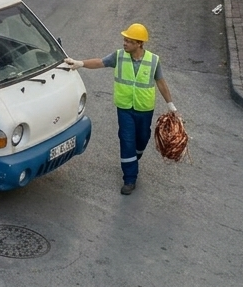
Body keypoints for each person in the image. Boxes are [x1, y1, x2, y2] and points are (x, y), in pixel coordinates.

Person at [63, 23, 177, 195]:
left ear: (139, 44)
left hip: (144, 109)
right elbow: (100, 62)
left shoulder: (153, 60)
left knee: (142, 138)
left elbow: (161, 82)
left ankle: (134, 157)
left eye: (129, 41)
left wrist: (170, 104)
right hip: (124, 108)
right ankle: (130, 178)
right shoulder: (119, 56)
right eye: (124, 40)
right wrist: (80, 63)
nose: (125, 44)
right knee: (127, 140)